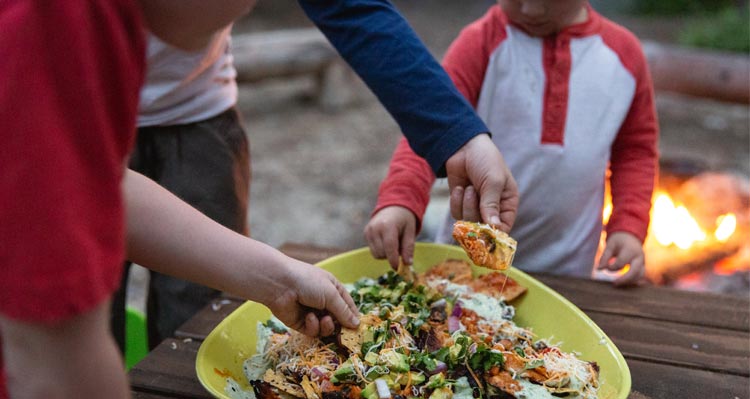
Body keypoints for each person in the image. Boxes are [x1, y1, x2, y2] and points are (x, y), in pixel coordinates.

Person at [1, 0, 520, 397]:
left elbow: (103, 191)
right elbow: (53, 353)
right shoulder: (55, 24)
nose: (250, 7)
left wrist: (275, 276)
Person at [364, 0, 659, 286]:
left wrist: (628, 227)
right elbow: (429, 125)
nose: (531, 8)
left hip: (569, 270)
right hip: (469, 265)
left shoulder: (625, 56)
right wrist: (401, 198)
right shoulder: (481, 42)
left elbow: (635, 151)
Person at [109, 27, 251, 351]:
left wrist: (277, 280)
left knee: (198, 318)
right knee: (85, 308)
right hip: (78, 118)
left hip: (198, 110)